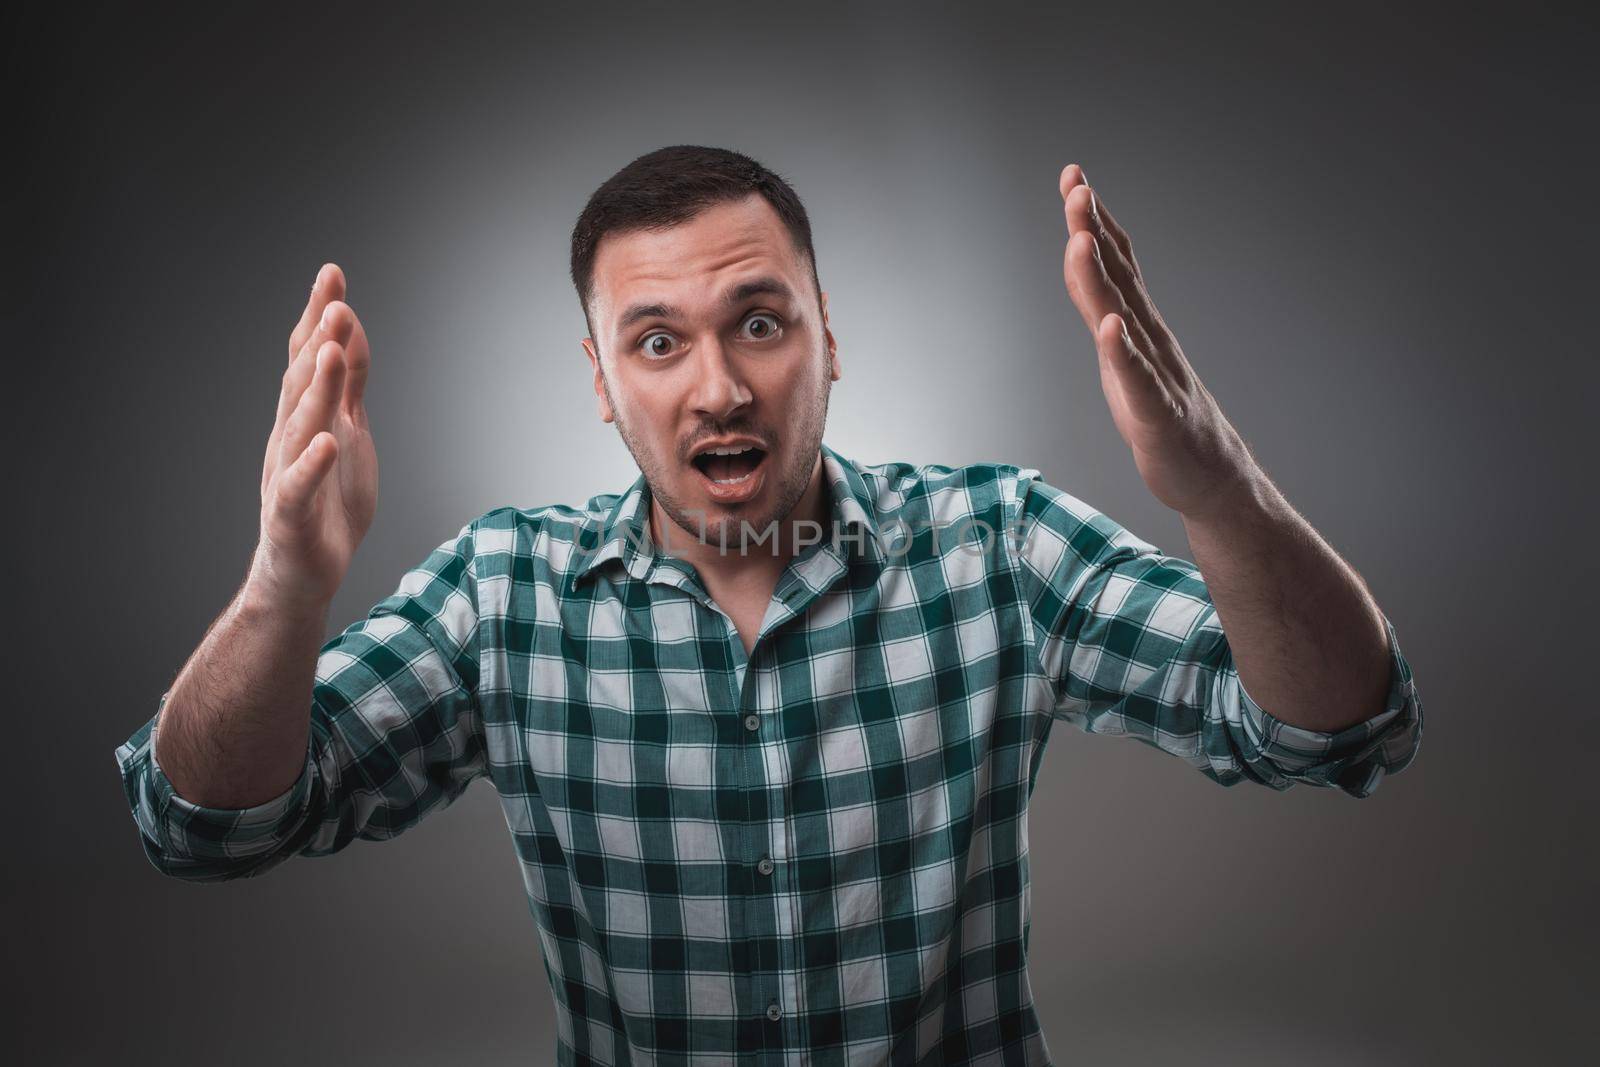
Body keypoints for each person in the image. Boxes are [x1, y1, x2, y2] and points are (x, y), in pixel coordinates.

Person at [114, 145, 1423, 1065]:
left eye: (759, 321)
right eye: (658, 341)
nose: (719, 391)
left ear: (831, 337)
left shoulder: (996, 546)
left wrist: (1221, 486)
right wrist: (286, 590)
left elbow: (1336, 726)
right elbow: (203, 827)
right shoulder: (505, 594)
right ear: (600, 381)